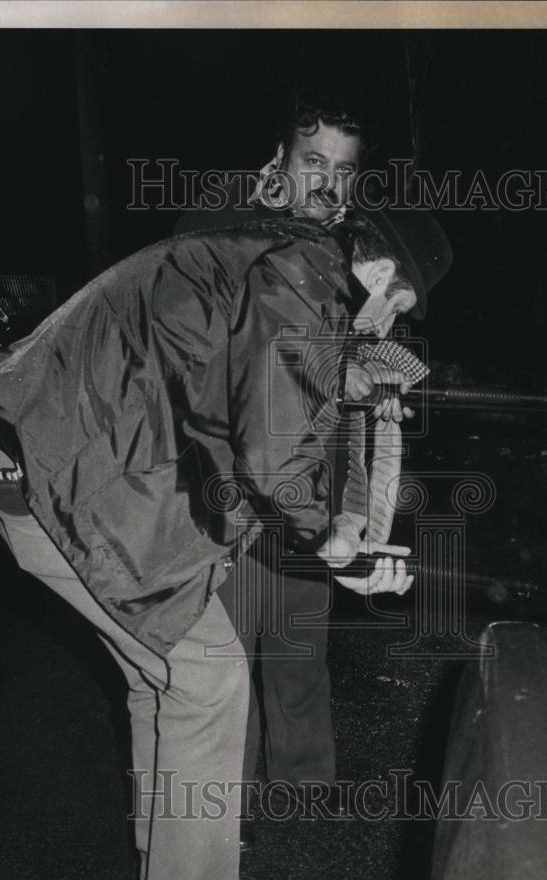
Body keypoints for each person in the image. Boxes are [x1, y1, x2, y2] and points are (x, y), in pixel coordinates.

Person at [0, 212, 426, 880]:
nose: (389, 323)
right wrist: (330, 543)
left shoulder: (267, 264)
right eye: (398, 303)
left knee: (163, 679)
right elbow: (270, 454)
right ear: (377, 273)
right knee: (209, 676)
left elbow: (232, 422)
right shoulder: (298, 280)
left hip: (53, 469)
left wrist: (335, 523)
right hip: (62, 481)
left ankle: (176, 879)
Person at [174, 93, 400, 816]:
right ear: (277, 161)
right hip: (233, 486)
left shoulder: (351, 249)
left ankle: (305, 785)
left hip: (312, 476)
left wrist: (382, 375)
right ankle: (223, 814)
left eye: (343, 169)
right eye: (312, 161)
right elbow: (226, 364)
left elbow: (365, 346)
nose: (327, 182)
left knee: (300, 644)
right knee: (225, 661)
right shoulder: (225, 228)